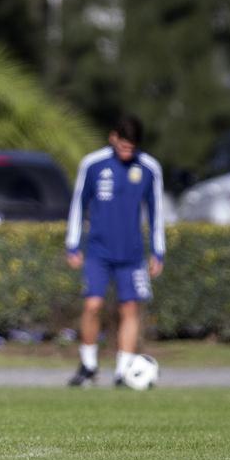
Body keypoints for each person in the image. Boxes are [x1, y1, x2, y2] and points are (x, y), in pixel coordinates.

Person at [64, 115, 165, 387]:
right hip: (98, 250)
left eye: (131, 148)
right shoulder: (93, 164)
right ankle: (88, 365)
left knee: (130, 309)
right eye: (123, 146)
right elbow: (78, 205)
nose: (126, 152)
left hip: (132, 254)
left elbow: (156, 212)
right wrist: (73, 244)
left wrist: (158, 251)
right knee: (92, 304)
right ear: (113, 138)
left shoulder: (149, 168)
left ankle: (123, 370)